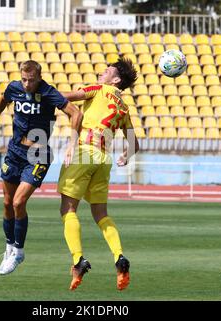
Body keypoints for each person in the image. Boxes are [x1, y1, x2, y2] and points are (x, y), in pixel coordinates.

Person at [0, 60, 82, 275]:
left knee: (19, 202)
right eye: (24, 79)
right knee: (7, 203)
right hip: (14, 152)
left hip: (38, 154)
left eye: (31, 80)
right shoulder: (14, 88)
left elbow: (76, 113)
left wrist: (71, 143)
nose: (27, 84)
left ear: (39, 77)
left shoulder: (49, 93)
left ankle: (19, 252)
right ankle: (9, 246)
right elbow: (2, 101)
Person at [58, 58, 139, 291]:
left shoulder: (98, 89)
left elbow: (67, 98)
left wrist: (43, 94)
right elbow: (135, 144)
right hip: (104, 159)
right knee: (101, 214)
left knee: (68, 208)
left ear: (116, 80)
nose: (103, 71)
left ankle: (78, 259)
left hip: (85, 150)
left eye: (108, 70)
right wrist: (126, 156)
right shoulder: (123, 107)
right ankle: (119, 256)